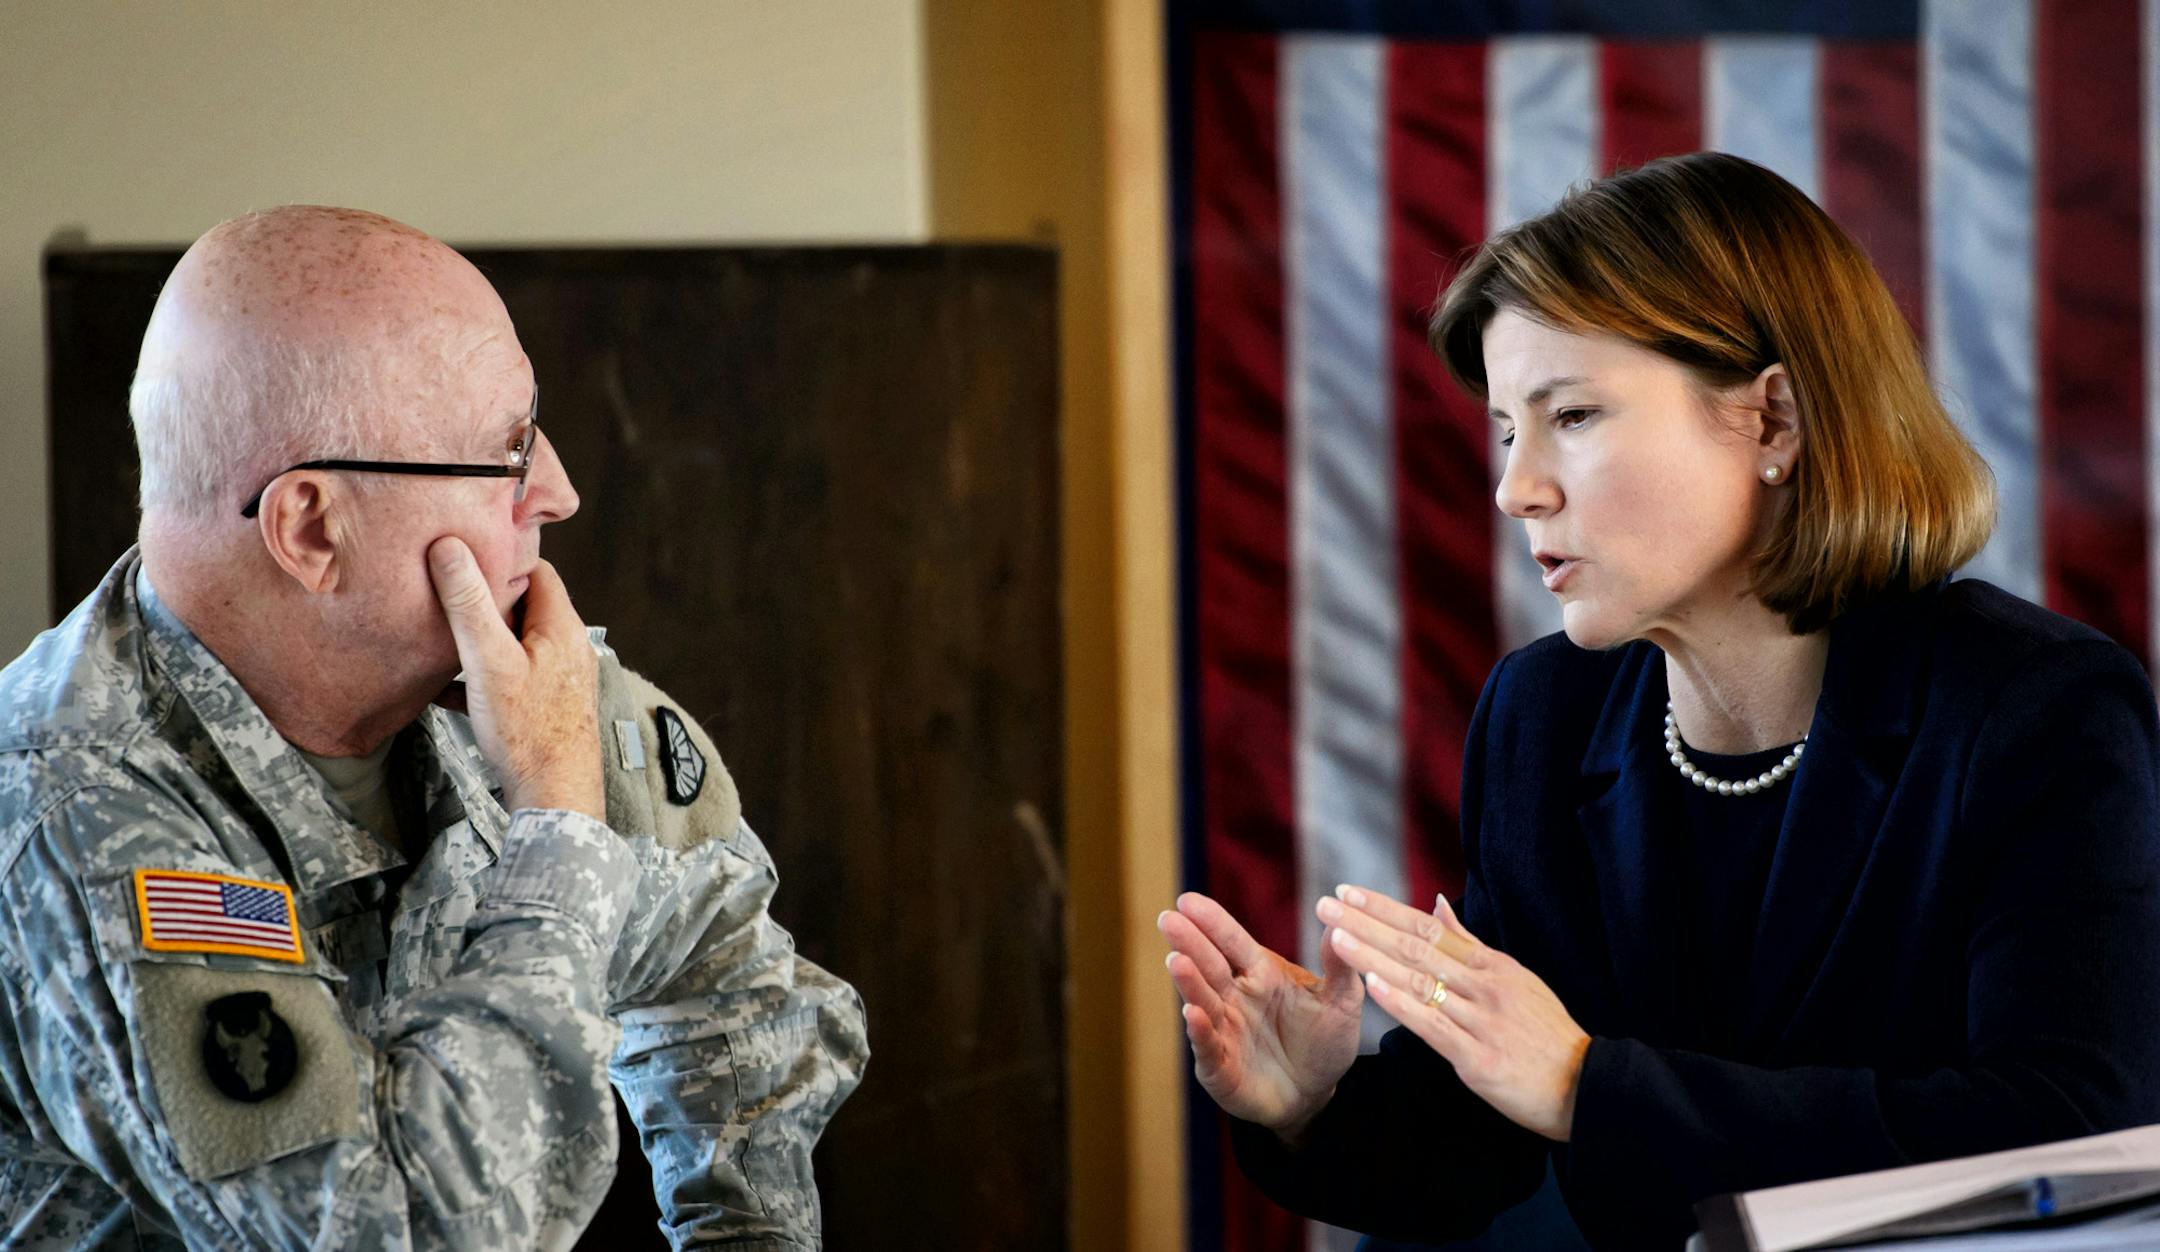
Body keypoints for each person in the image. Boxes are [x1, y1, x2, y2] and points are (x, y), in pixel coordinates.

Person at [1159, 152, 2160, 1249]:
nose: (1514, 486)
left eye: (1573, 415)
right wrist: (1309, 1103)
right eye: (1506, 428)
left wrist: (1595, 1088)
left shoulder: (2040, 713)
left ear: (1774, 423)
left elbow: (2074, 1145)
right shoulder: (1546, 717)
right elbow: (1484, 1139)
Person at [0, 206, 867, 1249]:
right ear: (314, 528)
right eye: (505, 452)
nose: (558, 490)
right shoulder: (73, 815)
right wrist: (555, 822)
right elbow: (393, 1232)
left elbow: (735, 990)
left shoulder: (488, 682)